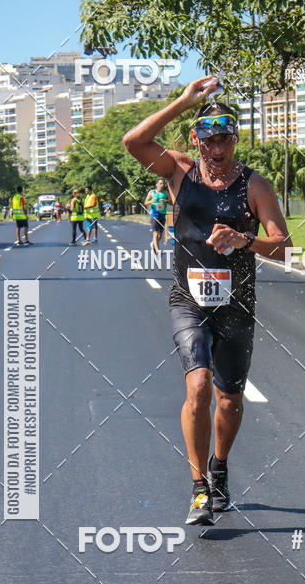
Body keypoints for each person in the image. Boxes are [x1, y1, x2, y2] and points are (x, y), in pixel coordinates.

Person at [123, 76, 290, 526]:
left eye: (225, 139)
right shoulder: (178, 171)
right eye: (209, 139)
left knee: (230, 400)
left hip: (237, 303)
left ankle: (220, 468)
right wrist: (183, 101)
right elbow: (133, 140)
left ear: (235, 140)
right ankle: (200, 487)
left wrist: (244, 239)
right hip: (188, 297)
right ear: (196, 139)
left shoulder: (256, 186)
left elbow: (282, 244)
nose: (218, 148)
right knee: (197, 385)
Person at [144, 178, 168, 253]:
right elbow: (145, 202)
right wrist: (151, 201)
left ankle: (154, 244)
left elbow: (171, 202)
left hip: (162, 215)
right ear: (156, 185)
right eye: (160, 183)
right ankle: (157, 250)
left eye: (163, 183)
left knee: (160, 235)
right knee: (155, 233)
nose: (162, 185)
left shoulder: (166, 193)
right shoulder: (152, 192)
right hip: (154, 215)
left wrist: (165, 201)